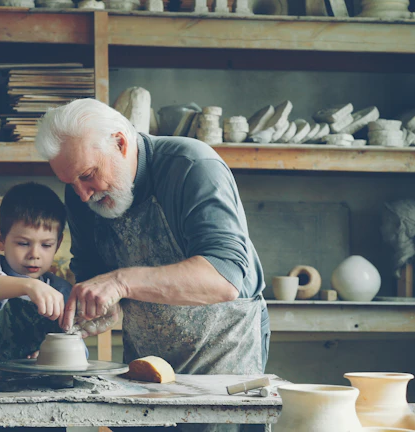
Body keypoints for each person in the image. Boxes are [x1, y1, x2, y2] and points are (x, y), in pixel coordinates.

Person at [34, 97, 270, 383]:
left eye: (87, 175)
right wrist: (102, 307)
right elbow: (92, 270)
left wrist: (120, 282)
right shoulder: (80, 193)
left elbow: (225, 277)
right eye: (71, 183)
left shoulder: (192, 166)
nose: (82, 194)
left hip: (222, 356)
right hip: (146, 360)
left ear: (120, 144)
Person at [0, 182, 79, 375]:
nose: (34, 254)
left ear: (58, 243)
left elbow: (78, 350)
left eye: (46, 245)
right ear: (1, 239)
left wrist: (55, 357)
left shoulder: (60, 290)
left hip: (39, 390)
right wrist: (27, 286)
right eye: (23, 243)